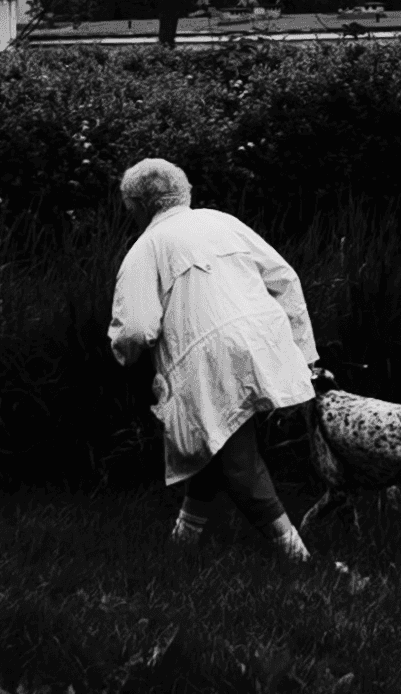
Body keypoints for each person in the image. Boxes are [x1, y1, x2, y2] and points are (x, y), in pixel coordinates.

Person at [108, 157, 318, 561]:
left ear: (137, 205)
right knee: (210, 444)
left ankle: (300, 560)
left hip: (211, 358)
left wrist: (124, 355)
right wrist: (302, 353)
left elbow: (134, 329)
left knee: (238, 463)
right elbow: (284, 277)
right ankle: (183, 542)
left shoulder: (145, 248)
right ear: (183, 192)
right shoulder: (223, 222)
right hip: (265, 341)